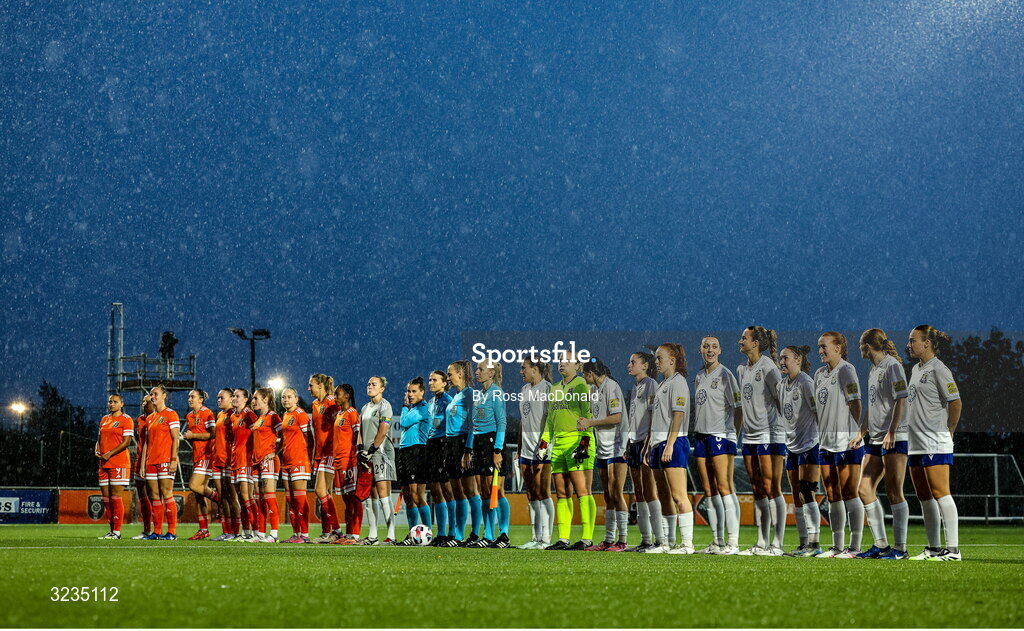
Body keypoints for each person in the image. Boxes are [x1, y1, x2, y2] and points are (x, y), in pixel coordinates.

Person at [905, 325, 963, 561]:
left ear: (926, 343)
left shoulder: (940, 369)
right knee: (923, 495)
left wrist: (949, 431)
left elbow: (955, 402)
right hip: (916, 442)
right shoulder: (915, 370)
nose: (909, 345)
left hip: (934, 440)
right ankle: (933, 548)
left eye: (913, 341)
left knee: (941, 492)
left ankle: (953, 550)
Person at [857, 328, 910, 559]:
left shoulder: (892, 366)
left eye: (860, 345)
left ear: (867, 346)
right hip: (875, 438)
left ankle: (900, 549)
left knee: (894, 491)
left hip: (894, 437)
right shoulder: (873, 369)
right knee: (864, 489)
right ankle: (881, 545)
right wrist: (862, 430)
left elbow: (902, 399)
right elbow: (874, 404)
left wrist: (892, 430)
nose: (859, 349)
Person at [813, 332, 865, 558]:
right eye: (819, 347)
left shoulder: (846, 370)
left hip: (847, 443)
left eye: (824, 346)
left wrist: (858, 433)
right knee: (832, 494)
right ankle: (836, 547)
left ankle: (854, 547)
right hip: (826, 443)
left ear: (838, 348)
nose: (821, 351)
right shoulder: (818, 374)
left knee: (850, 493)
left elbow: (855, 403)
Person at [692, 336, 743, 555]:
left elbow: (739, 407)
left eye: (714, 347)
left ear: (720, 350)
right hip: (701, 436)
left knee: (725, 487)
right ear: (700, 349)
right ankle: (717, 541)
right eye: (706, 346)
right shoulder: (699, 376)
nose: (710, 350)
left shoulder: (726, 375)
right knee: (709, 490)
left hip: (721, 436)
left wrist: (733, 435)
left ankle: (733, 542)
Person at [642, 343, 694, 554]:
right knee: (664, 495)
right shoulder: (663, 384)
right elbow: (656, 418)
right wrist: (649, 446)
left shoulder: (678, 382)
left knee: (679, 495)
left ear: (672, 359)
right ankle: (666, 542)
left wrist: (670, 444)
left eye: (659, 358)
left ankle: (688, 544)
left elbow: (678, 415)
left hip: (673, 442)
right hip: (657, 444)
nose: (656, 362)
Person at [539, 354, 595, 551]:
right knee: (562, 493)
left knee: (582, 490)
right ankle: (563, 539)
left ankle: (587, 538)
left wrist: (585, 443)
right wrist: (544, 442)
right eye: (560, 360)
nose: (562, 363)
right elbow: (550, 420)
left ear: (578, 366)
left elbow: (587, 416)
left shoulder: (582, 385)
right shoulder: (554, 388)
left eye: (567, 361)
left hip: (578, 442)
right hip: (559, 445)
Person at [737, 326, 784, 555]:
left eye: (744, 338)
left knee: (771, 487)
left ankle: (777, 543)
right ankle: (761, 542)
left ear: (755, 343)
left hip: (769, 434)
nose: (740, 341)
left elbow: (782, 401)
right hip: (750, 437)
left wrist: (783, 432)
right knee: (757, 489)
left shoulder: (769, 368)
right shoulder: (741, 369)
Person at [777, 345, 823, 557]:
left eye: (786, 358)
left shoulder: (806, 382)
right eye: (780, 358)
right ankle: (803, 543)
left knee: (807, 490)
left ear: (798, 359)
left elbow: (818, 412)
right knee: (796, 495)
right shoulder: (781, 385)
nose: (782, 362)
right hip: (792, 446)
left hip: (809, 444)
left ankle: (815, 544)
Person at [580, 358, 629, 551]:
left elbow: (616, 417)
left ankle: (623, 541)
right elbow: (594, 419)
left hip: (618, 446)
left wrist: (590, 423)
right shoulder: (594, 391)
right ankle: (609, 540)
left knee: (617, 492)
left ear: (590, 373)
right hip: (603, 448)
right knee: (608, 494)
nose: (584, 377)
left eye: (585, 373)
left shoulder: (612, 387)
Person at [463, 359, 511, 548]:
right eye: (477, 369)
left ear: (491, 373)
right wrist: (469, 449)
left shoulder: (497, 393)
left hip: (492, 443)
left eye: (481, 369)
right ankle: (488, 534)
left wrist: (497, 449)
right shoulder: (479, 394)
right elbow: (473, 426)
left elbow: (502, 423)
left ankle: (504, 535)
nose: (477, 372)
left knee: (496, 491)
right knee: (483, 491)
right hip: (479, 444)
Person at [624, 351, 660, 552]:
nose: (629, 365)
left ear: (645, 365)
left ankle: (660, 540)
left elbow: (654, 416)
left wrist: (647, 444)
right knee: (638, 492)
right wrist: (629, 443)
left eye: (633, 362)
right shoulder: (636, 386)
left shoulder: (651, 385)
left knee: (649, 491)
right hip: (634, 443)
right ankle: (645, 540)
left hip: (645, 442)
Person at [518, 357, 553, 550]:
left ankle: (546, 538)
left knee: (543, 491)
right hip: (525, 449)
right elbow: (524, 421)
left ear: (535, 369)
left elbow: (551, 419)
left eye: (524, 368)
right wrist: (519, 447)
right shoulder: (524, 391)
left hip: (543, 449)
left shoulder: (547, 389)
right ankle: (535, 537)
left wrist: (545, 444)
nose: (521, 372)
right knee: (531, 493)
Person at [358, 376, 397, 545]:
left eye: (374, 384)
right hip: (366, 454)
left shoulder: (385, 405)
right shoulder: (365, 407)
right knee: (369, 495)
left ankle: (391, 536)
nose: (370, 386)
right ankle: (373, 536)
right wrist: (360, 449)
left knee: (383, 494)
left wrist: (372, 449)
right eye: (368, 383)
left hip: (381, 453)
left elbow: (383, 430)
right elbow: (360, 431)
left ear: (382, 389)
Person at [140, 385, 180, 540]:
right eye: (151, 394)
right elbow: (146, 443)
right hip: (151, 461)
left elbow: (176, 439)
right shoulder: (150, 418)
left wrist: (174, 460)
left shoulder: (171, 414)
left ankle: (172, 532)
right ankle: (156, 532)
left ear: (164, 396)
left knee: (167, 494)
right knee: (154, 496)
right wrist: (144, 463)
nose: (153, 397)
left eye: (155, 394)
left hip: (165, 460)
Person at [396, 378, 432, 545]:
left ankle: (427, 533)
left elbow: (403, 422)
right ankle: (413, 535)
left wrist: (404, 407)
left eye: (414, 391)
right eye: (408, 391)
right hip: (404, 452)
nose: (410, 395)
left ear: (422, 392)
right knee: (408, 497)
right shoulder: (414, 409)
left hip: (417, 451)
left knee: (418, 496)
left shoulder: (422, 409)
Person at [308, 374, 342, 543]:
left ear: (320, 385)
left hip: (330, 453)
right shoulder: (315, 404)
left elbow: (339, 427)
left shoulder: (332, 402)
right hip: (320, 454)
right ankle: (326, 532)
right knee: (323, 492)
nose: (309, 388)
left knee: (321, 491)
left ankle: (336, 530)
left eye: (311, 385)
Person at [444, 361, 474, 546]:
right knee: (456, 491)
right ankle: (457, 534)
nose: (448, 377)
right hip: (451, 444)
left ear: (460, 374)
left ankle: (474, 535)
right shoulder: (456, 395)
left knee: (470, 491)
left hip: (462, 442)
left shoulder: (470, 394)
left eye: (450, 374)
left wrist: (468, 450)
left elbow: (473, 423)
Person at [95, 393, 133, 539]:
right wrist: (97, 449)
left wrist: (109, 453)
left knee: (116, 497)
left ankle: (117, 531)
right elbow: (99, 438)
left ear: (121, 404)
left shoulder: (126, 419)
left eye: (115, 402)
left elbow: (127, 442)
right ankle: (111, 530)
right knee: (106, 498)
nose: (112, 404)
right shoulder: (105, 419)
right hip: (103, 463)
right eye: (110, 401)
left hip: (119, 463)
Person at [425, 371, 455, 547]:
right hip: (431, 445)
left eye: (435, 380)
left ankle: (452, 533)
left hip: (444, 444)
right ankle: (441, 534)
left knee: (447, 490)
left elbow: (452, 424)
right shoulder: (430, 402)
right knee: (435, 491)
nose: (431, 383)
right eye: (430, 380)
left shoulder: (448, 401)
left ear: (444, 383)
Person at [279, 387, 313, 543]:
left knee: (300, 499)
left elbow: (309, 438)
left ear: (296, 398)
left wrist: (309, 460)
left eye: (289, 397)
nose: (286, 399)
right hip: (286, 462)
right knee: (290, 499)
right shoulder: (285, 415)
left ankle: (304, 534)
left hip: (299, 461)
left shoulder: (301, 415)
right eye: (284, 397)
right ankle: (296, 533)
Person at [331, 384, 362, 544]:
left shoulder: (352, 413)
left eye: (338, 394)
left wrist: (355, 457)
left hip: (349, 461)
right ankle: (349, 535)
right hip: (338, 461)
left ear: (347, 396)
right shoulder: (339, 414)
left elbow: (358, 436)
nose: (335, 397)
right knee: (345, 499)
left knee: (353, 498)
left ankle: (355, 535)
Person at [182, 389, 216, 540]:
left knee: (194, 485)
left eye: (193, 397)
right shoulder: (189, 416)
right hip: (197, 456)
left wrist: (193, 435)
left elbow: (213, 434)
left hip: (207, 455)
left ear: (201, 399)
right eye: (189, 397)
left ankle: (221, 500)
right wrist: (189, 437)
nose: (190, 399)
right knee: (198, 494)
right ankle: (203, 529)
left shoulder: (207, 413)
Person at [250, 387, 282, 542]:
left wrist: (275, 453)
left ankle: (274, 534)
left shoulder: (273, 416)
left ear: (266, 400)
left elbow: (285, 435)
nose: (253, 401)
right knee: (259, 499)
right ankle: (260, 534)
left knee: (269, 498)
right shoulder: (260, 418)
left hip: (268, 461)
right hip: (257, 462)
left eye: (256, 398)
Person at [227, 388, 259, 542]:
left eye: (237, 396)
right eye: (233, 395)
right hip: (235, 461)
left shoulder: (249, 415)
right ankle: (246, 532)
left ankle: (257, 532)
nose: (234, 398)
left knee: (247, 497)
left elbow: (258, 434)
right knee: (240, 498)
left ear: (246, 399)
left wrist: (255, 455)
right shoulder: (233, 415)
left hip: (245, 461)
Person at [209, 389, 239, 540]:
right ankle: (226, 531)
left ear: (231, 398)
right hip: (218, 459)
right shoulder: (220, 415)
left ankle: (236, 531)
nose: (219, 400)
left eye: (222, 397)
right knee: (222, 497)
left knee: (232, 497)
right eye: (218, 397)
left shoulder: (234, 415)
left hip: (228, 459)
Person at [130, 395, 155, 539]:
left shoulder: (158, 418)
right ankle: (147, 530)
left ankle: (159, 529)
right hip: (139, 461)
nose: (144, 403)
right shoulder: (140, 419)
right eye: (143, 400)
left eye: (148, 401)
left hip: (152, 461)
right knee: (143, 496)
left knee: (154, 497)